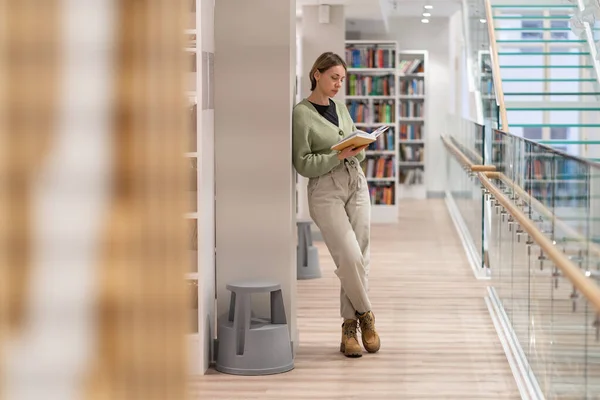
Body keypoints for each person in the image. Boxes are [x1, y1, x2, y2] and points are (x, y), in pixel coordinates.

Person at [292, 51, 380, 358]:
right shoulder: (301, 113)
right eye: (333, 77)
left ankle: (348, 330)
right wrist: (337, 155)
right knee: (351, 256)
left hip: (356, 183)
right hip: (325, 190)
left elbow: (356, 151)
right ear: (317, 74)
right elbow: (302, 163)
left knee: (359, 258)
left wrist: (360, 146)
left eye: (342, 79)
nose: (338, 84)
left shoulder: (341, 108)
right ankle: (366, 315)